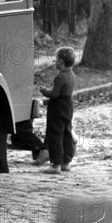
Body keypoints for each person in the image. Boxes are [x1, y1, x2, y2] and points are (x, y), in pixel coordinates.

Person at [39, 46, 77, 174]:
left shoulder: (60, 77)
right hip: (68, 105)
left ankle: (55, 164)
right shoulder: (71, 75)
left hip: (58, 107)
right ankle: (66, 162)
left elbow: (54, 94)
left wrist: (44, 90)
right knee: (66, 133)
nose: (55, 61)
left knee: (55, 134)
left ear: (61, 61)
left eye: (56, 59)